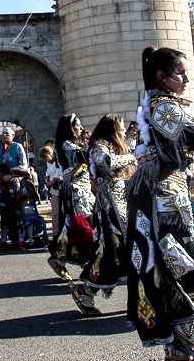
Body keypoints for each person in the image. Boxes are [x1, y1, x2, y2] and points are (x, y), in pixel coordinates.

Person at [123, 47, 194, 360]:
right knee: (188, 277)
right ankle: (188, 349)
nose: (186, 79)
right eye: (180, 72)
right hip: (165, 207)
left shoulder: (154, 104)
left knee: (179, 278)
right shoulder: (162, 105)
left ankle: (182, 350)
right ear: (161, 77)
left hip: (166, 202)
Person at [77, 114, 136, 305]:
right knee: (110, 249)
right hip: (109, 206)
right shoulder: (99, 146)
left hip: (120, 204)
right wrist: (129, 157)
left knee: (123, 249)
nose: (123, 131)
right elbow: (106, 163)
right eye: (120, 127)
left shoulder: (108, 146)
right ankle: (86, 289)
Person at [46, 114, 95, 307]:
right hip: (76, 192)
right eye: (78, 126)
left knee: (76, 229)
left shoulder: (70, 146)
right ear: (70, 128)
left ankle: (63, 257)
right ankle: (67, 257)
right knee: (84, 228)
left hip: (83, 190)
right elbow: (85, 157)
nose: (81, 129)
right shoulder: (67, 146)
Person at [0, 127, 31, 251]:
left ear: (13, 135)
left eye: (7, 134)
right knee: (4, 212)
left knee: (18, 211)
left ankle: (21, 240)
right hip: (2, 184)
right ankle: (4, 240)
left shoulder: (18, 147)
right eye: (3, 134)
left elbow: (24, 165)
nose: (4, 136)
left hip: (15, 183)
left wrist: (12, 174)